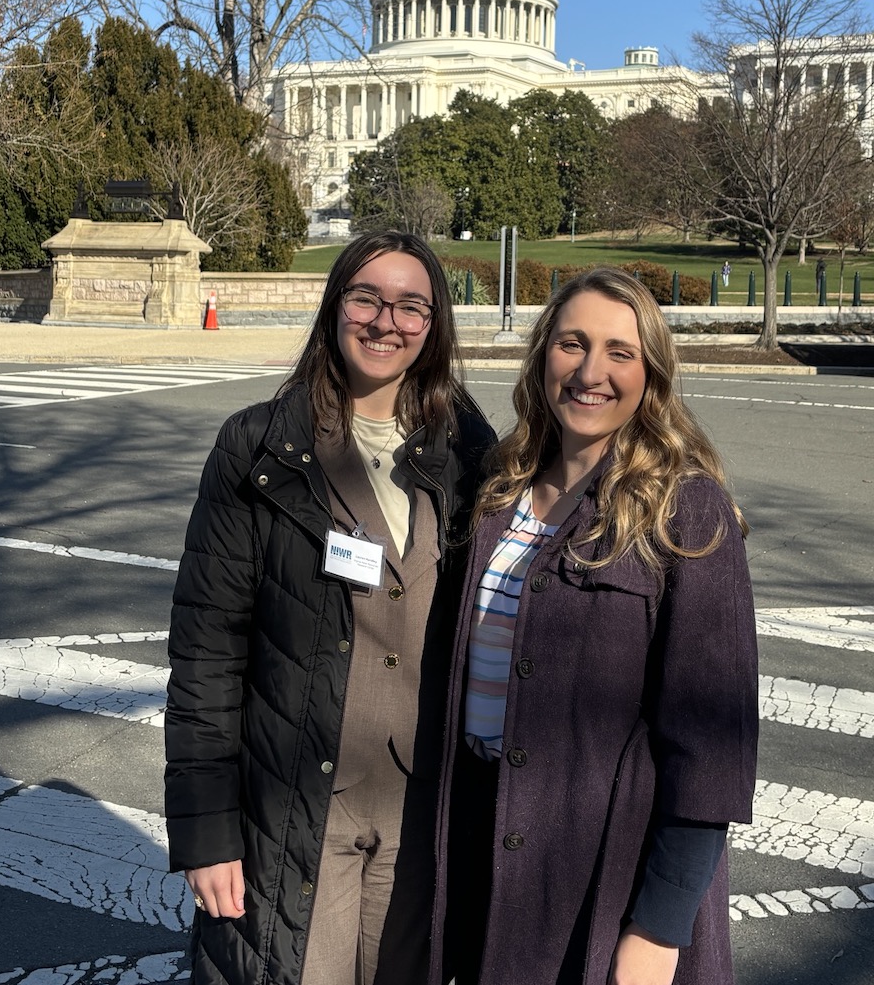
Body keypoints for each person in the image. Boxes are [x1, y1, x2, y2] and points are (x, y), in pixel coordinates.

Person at [168, 230, 497, 985]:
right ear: (334, 305)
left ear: (436, 323)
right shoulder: (259, 447)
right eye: (366, 297)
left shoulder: (470, 450)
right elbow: (207, 650)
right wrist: (206, 827)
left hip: (422, 805)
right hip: (297, 798)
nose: (387, 321)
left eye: (412, 305)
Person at [432, 267, 759, 985]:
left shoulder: (688, 509)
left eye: (620, 351)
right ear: (542, 353)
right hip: (488, 853)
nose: (590, 371)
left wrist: (658, 925)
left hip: (610, 875)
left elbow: (709, 745)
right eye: (572, 343)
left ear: (651, 374)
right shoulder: (499, 491)